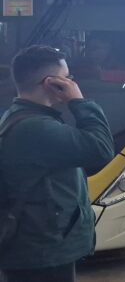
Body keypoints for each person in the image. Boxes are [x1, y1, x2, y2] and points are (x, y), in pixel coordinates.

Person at [0, 45, 114, 282]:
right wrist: (79, 102)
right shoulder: (37, 127)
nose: (72, 83)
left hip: (35, 246)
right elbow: (101, 149)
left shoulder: (17, 116)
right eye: (68, 77)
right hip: (43, 251)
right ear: (51, 83)